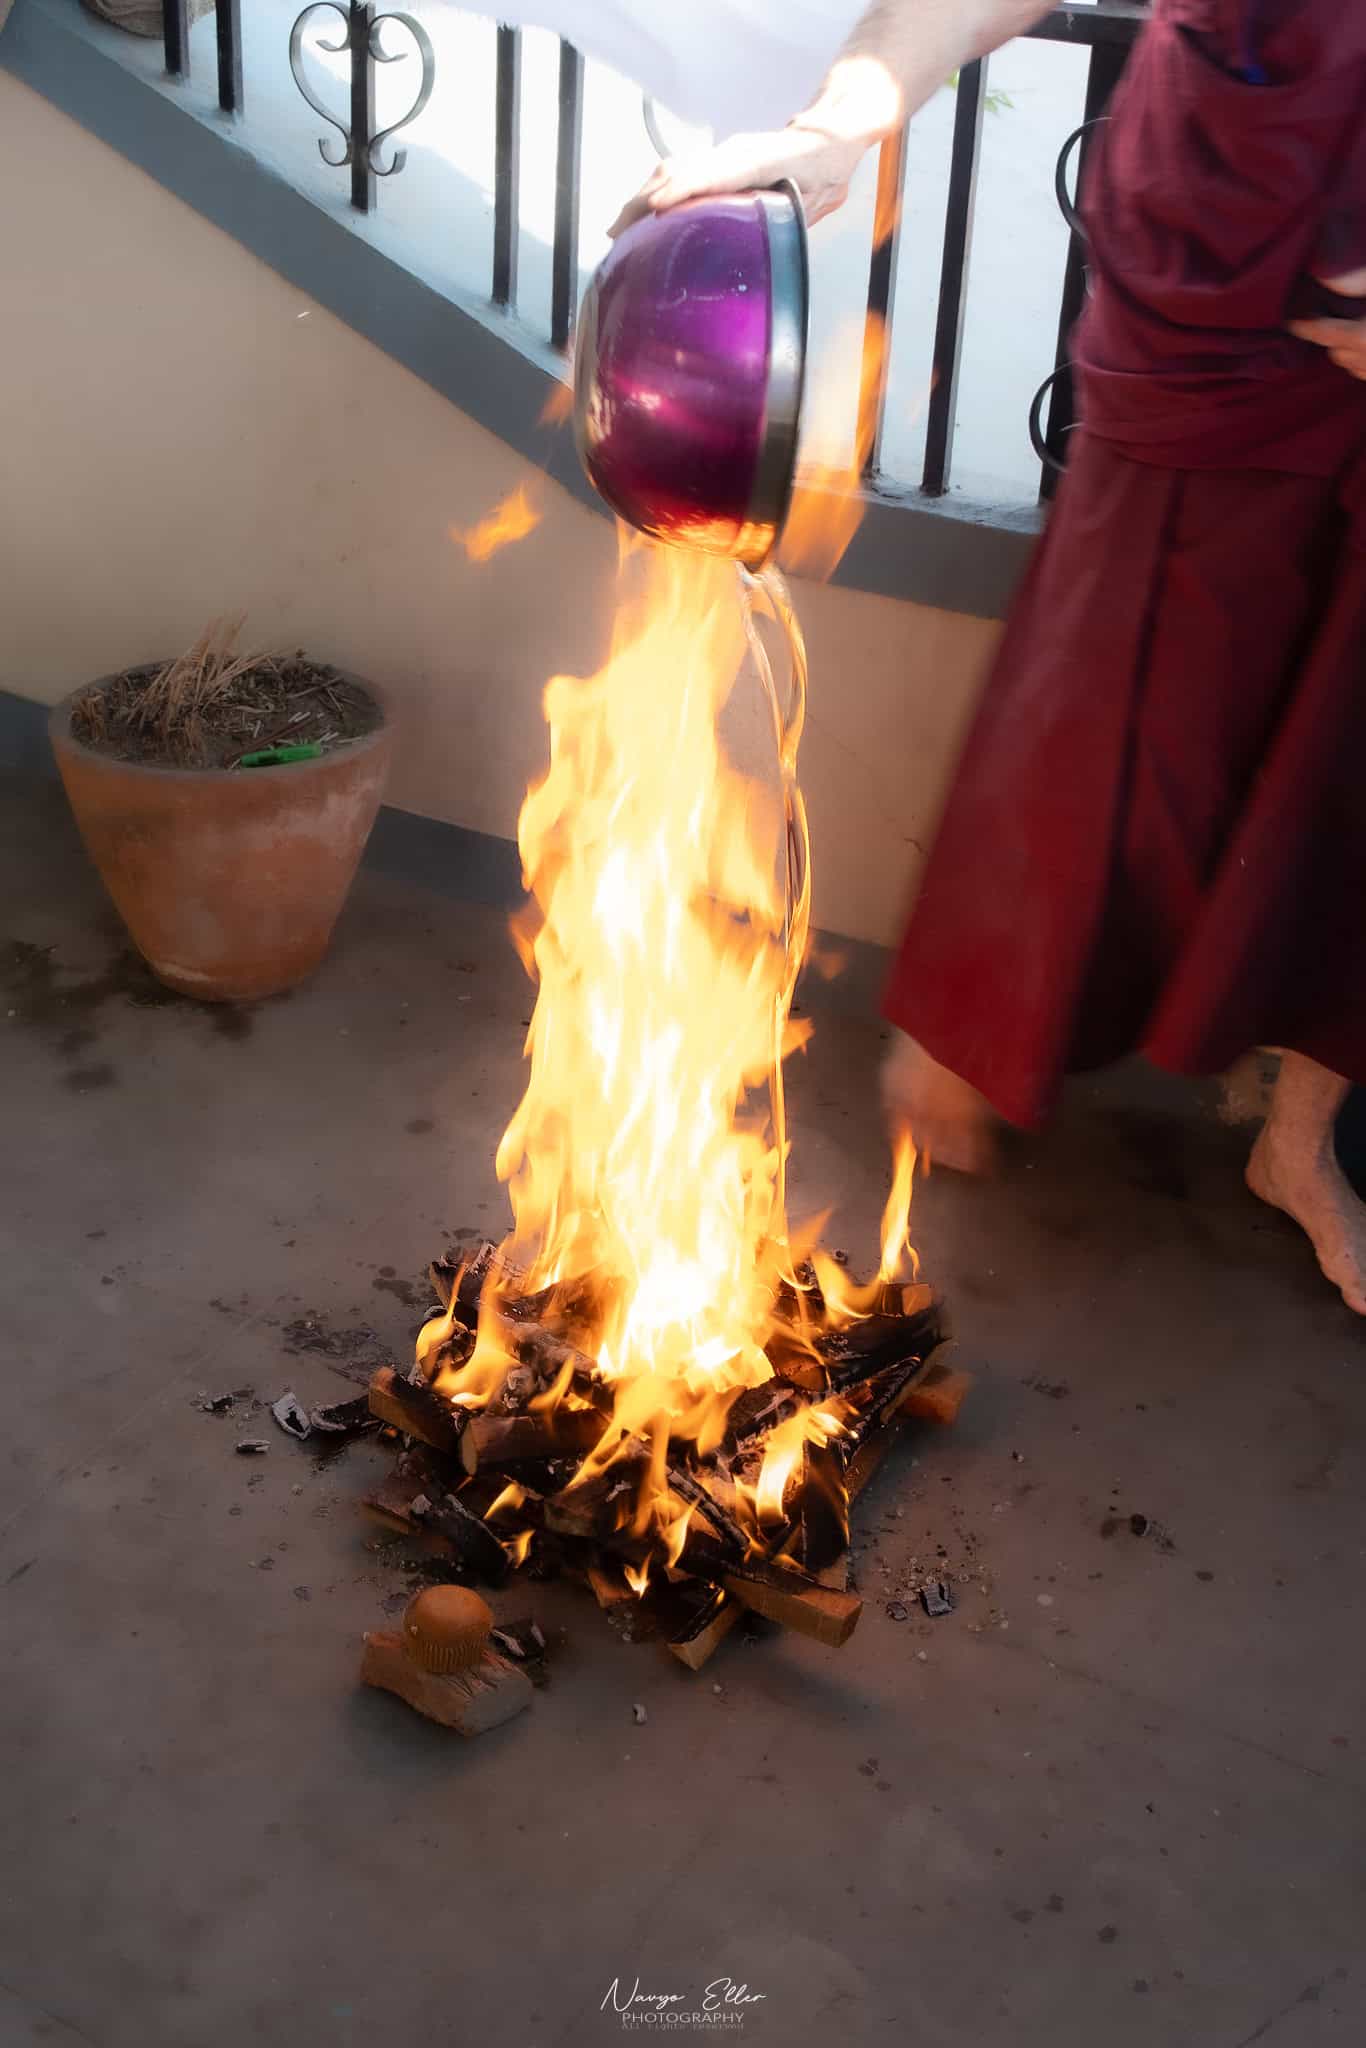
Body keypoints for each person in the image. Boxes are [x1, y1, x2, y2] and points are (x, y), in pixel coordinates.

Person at [612, 0, 1366, 1315]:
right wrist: (836, 124)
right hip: (1215, 293)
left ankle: (1297, 1143)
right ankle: (975, 1030)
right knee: (1110, 701)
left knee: (1348, 741)